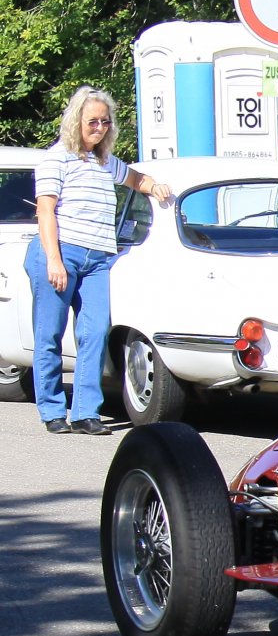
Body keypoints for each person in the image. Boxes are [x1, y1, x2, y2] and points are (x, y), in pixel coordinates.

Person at [26, 86, 172, 435]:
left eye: (105, 122)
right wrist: (54, 260)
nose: (100, 128)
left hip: (97, 257)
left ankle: (85, 412)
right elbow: (45, 212)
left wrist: (154, 186)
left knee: (93, 333)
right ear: (76, 121)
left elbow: (134, 178)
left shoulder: (105, 161)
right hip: (60, 251)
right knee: (49, 334)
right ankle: (52, 410)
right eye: (93, 121)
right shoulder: (57, 158)